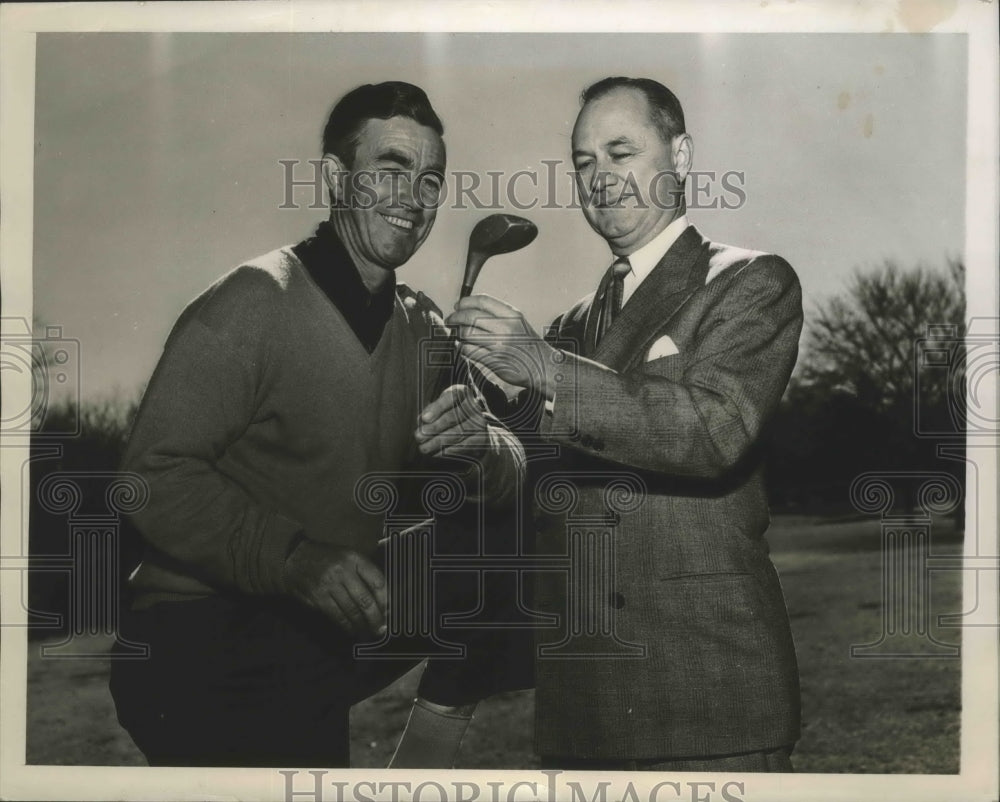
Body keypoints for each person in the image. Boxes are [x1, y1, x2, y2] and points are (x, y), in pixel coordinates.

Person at [109, 81, 527, 768]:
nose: (414, 197)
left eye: (430, 180)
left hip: (316, 626)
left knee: (519, 530)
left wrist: (483, 450)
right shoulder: (253, 301)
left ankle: (421, 762)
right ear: (337, 178)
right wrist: (295, 559)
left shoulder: (421, 326)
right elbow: (150, 477)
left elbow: (515, 453)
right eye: (390, 169)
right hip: (191, 636)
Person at [448, 76, 802, 771]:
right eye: (584, 162)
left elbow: (711, 431)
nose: (600, 179)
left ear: (682, 154)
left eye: (620, 152)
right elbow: (533, 480)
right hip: (582, 704)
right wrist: (473, 443)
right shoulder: (571, 324)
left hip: (707, 694)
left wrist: (545, 370)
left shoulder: (749, 282)